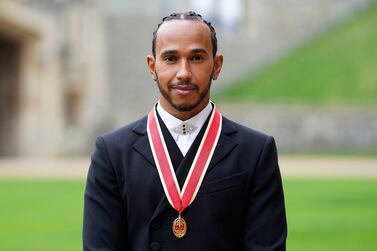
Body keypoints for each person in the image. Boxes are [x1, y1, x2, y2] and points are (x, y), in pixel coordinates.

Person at [83, 11, 287, 251]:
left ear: (217, 65)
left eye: (197, 58)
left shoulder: (255, 151)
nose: (183, 73)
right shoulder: (112, 152)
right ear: (152, 66)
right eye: (170, 58)